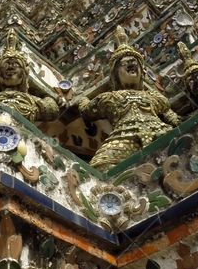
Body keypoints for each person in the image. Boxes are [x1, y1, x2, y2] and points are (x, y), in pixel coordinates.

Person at [75, 27, 178, 171]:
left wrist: (176, 120)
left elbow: (167, 109)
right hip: (125, 136)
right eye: (126, 64)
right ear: (116, 74)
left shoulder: (152, 96)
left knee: (182, 145)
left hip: (159, 130)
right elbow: (87, 111)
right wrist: (82, 98)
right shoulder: (109, 97)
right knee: (100, 166)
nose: (133, 64)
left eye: (136, 64)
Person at [0, 29, 61, 124]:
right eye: (6, 65)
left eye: (16, 65)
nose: (11, 68)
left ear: (24, 73)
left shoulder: (31, 100)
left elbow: (52, 110)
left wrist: (35, 85)